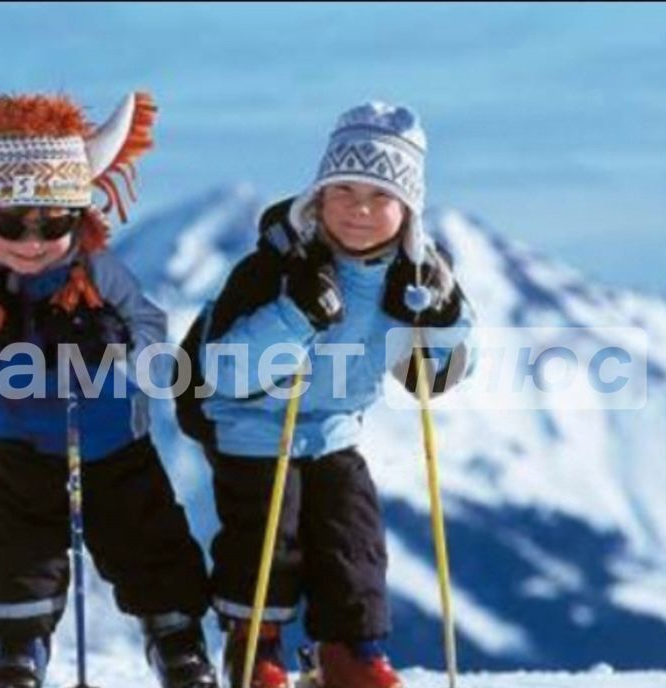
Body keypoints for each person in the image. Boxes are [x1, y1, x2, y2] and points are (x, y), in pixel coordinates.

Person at [0, 91, 216, 688]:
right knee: (17, 550)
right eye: (12, 223)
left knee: (148, 541)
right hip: (13, 439)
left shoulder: (95, 267)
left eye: (56, 222)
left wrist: (111, 336)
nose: (34, 241)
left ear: (80, 218)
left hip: (113, 438)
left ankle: (174, 637)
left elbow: (152, 334)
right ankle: (16, 647)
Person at [175, 102, 475, 688]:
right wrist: (296, 316)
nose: (360, 209)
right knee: (268, 526)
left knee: (352, 529)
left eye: (380, 196)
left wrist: (444, 318)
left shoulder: (413, 280)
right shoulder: (275, 268)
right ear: (319, 195)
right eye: (345, 190)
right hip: (252, 422)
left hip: (335, 425)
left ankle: (350, 651)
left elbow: (433, 378)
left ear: (407, 209)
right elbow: (222, 372)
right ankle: (253, 644)